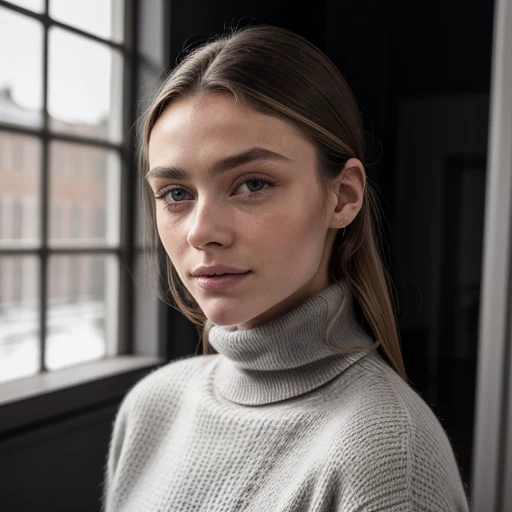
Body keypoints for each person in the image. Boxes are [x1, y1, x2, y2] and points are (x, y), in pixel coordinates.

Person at [102, 24, 470, 511]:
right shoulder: (150, 407)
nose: (200, 231)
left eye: (252, 184)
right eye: (176, 194)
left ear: (343, 197)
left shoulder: (389, 460)